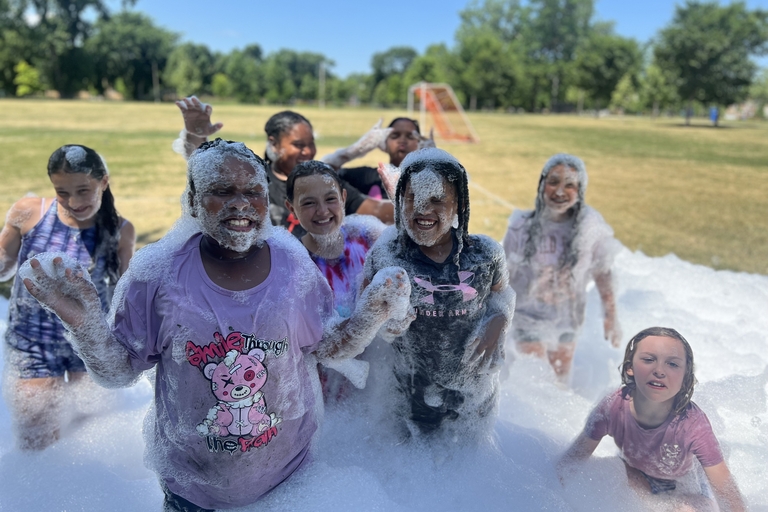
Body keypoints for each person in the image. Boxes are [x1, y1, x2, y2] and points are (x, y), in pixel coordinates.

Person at [21, 139, 410, 511]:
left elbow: (326, 347)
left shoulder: (293, 267)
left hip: (291, 479)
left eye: (253, 192)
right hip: (192, 486)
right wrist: (85, 321)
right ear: (192, 201)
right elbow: (119, 370)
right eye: (222, 191)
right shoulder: (158, 275)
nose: (240, 204)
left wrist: (370, 314)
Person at [362, 148, 515, 440]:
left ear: (458, 204)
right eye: (412, 198)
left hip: (473, 398)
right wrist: (387, 325)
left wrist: (499, 319)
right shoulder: (385, 257)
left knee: (467, 470)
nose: (423, 209)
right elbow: (365, 316)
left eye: (437, 199)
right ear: (399, 201)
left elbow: (502, 294)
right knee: (410, 472)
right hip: (407, 398)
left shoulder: (485, 255)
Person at [0, 144, 135, 450]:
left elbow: (128, 296)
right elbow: (3, 265)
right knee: (36, 444)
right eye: (62, 192)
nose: (73, 201)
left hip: (86, 346)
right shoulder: (29, 212)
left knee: (86, 446)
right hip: (31, 343)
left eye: (83, 190)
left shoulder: (119, 231)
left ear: (104, 182)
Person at [559, 327, 746, 512]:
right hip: (638, 478)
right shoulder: (613, 408)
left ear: (685, 376)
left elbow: (727, 494)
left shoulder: (692, 424)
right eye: (649, 360)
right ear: (630, 368)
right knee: (601, 478)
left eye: (672, 364)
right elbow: (571, 462)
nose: (659, 370)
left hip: (686, 488)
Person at [173, 96, 394, 238]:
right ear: (274, 143)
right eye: (298, 145)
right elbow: (205, 174)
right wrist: (196, 135)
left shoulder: (322, 182)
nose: (308, 152)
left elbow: (374, 210)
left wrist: (414, 205)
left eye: (311, 144)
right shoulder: (255, 183)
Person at [502, 153, 621, 381]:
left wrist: (610, 315)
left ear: (580, 191)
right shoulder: (520, 227)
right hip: (527, 317)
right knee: (535, 386)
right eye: (554, 182)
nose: (559, 191)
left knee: (560, 386)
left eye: (569, 185)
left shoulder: (590, 228)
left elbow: (603, 271)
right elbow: (502, 277)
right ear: (542, 184)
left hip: (568, 318)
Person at [285, 160, 386, 399]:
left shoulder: (367, 239)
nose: (322, 211)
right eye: (309, 203)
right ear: (291, 208)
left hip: (377, 386)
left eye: (330, 199)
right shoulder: (292, 265)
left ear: (343, 197)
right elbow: (314, 345)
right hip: (322, 394)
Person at [321, 117, 435, 199]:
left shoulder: (429, 182)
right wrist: (354, 151)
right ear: (384, 143)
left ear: (420, 143)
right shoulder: (369, 177)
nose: (402, 141)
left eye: (410, 136)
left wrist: (432, 163)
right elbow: (321, 174)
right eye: (395, 135)